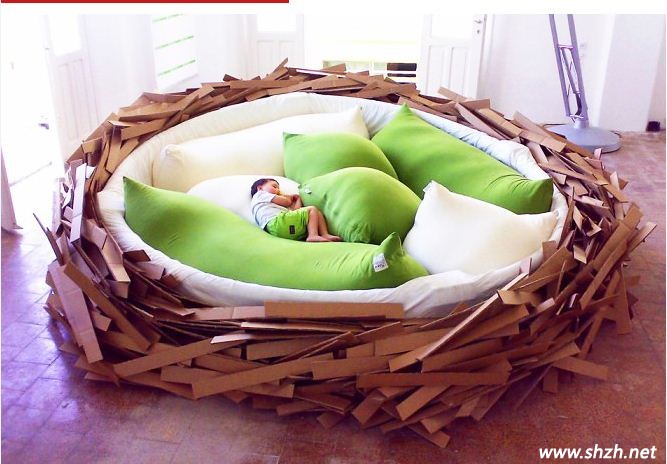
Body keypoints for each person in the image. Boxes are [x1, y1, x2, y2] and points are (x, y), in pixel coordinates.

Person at [250, 178, 341, 243]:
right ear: (260, 188)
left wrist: (298, 200)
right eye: (274, 186)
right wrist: (289, 197)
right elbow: (286, 202)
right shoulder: (260, 195)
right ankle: (313, 235)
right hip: (277, 223)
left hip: (281, 230)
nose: (278, 190)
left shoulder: (271, 205)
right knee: (312, 209)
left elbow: (296, 211)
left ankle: (325, 234)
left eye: (278, 188)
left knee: (316, 212)